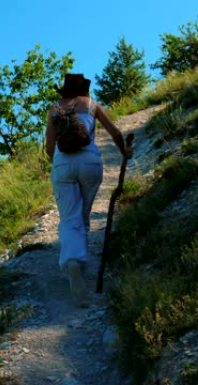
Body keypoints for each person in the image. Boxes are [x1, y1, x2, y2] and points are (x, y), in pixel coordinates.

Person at [45, 73, 128, 306]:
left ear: (64, 91)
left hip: (63, 165)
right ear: (83, 90)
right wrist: (124, 152)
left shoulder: (54, 110)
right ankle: (80, 262)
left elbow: (49, 147)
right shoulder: (92, 105)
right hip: (90, 164)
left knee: (70, 217)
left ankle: (73, 261)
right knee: (83, 215)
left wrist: (60, 164)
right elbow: (116, 133)